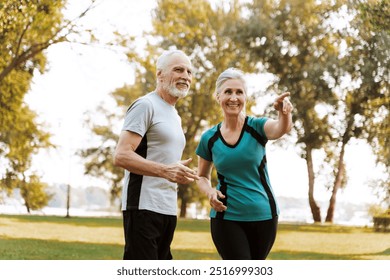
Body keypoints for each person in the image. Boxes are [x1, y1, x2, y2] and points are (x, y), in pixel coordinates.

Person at [195, 67, 293, 260]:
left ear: (245, 97)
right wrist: (210, 192)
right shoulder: (209, 138)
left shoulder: (256, 127)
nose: (234, 97)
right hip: (226, 217)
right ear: (218, 97)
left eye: (239, 92)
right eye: (228, 92)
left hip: (264, 215)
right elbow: (201, 176)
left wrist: (284, 113)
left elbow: (281, 128)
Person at [113, 49, 199, 260]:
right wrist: (165, 170)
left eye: (189, 72)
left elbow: (162, 160)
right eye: (178, 69)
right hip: (143, 207)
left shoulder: (174, 114)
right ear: (159, 74)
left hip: (167, 208)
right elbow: (121, 155)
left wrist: (180, 171)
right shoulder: (145, 105)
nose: (185, 76)